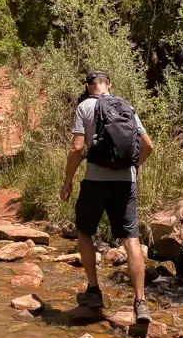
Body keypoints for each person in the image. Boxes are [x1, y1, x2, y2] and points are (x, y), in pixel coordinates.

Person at [60, 70, 154, 324]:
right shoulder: (126, 106)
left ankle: (94, 290)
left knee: (84, 232)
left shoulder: (85, 107)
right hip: (125, 182)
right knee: (131, 239)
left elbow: (78, 148)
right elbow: (148, 145)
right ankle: (140, 302)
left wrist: (67, 180)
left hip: (95, 181)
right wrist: (135, 167)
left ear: (89, 87)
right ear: (109, 85)